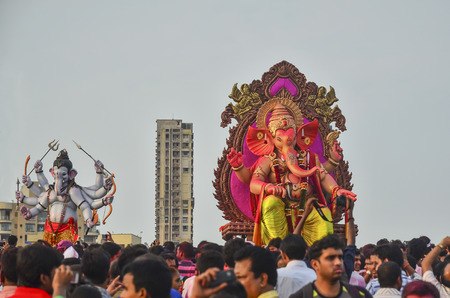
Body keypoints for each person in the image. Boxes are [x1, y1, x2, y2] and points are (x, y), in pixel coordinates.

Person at [289, 234, 371, 298]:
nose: (338, 262)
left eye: (340, 257)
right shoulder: (302, 296)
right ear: (315, 264)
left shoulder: (360, 295)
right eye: (331, 258)